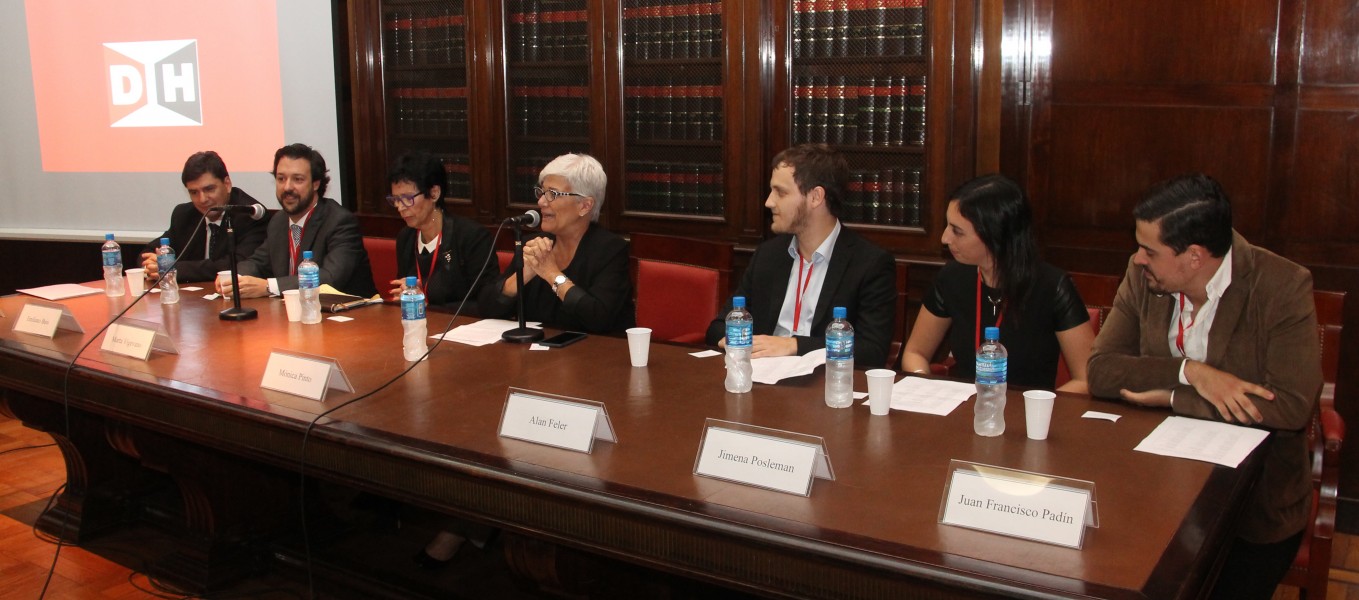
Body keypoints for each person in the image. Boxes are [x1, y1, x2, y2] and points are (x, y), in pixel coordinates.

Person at [1088, 174, 1320, 600]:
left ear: (1193, 257)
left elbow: (1290, 407)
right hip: (1145, 493)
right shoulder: (1144, 277)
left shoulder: (1281, 287)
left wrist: (1177, 398)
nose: (1138, 258)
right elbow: (1102, 370)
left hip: (1251, 512)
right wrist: (1190, 371)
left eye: (1149, 250)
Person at [704, 144, 896, 367]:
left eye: (781, 192)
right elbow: (718, 326)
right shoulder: (769, 255)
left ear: (815, 197)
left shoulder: (870, 264)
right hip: (760, 381)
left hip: (823, 388)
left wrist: (794, 346)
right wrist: (736, 342)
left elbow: (872, 351)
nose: (769, 202)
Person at [900, 174, 1093, 392]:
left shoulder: (1052, 286)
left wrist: (1033, 409)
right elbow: (915, 353)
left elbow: (1086, 379)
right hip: (962, 412)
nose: (945, 238)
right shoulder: (952, 277)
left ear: (994, 236)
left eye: (957, 231)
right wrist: (923, 382)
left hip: (1026, 417)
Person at [477, 153, 634, 333]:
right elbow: (487, 308)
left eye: (553, 194)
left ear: (585, 205)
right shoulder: (534, 244)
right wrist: (523, 275)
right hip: (536, 354)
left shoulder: (610, 250)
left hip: (593, 355)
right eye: (541, 192)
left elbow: (598, 318)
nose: (541, 201)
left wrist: (551, 273)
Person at [220, 143, 378, 299]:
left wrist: (269, 287)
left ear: (316, 184)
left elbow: (330, 279)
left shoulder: (340, 221)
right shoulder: (279, 221)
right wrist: (233, 277)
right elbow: (257, 262)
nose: (287, 187)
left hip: (350, 316)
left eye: (298, 179)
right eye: (281, 178)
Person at [385, 152, 498, 310]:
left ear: (434, 193)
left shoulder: (471, 237)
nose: (400, 207)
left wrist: (427, 306)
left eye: (407, 198)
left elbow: (487, 303)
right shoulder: (406, 238)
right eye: (395, 200)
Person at [139, 151, 268, 283]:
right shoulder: (184, 214)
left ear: (227, 184)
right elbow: (148, 252)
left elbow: (237, 265)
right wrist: (152, 264)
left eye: (209, 189)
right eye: (194, 192)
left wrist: (173, 269)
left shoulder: (250, 214)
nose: (202, 199)